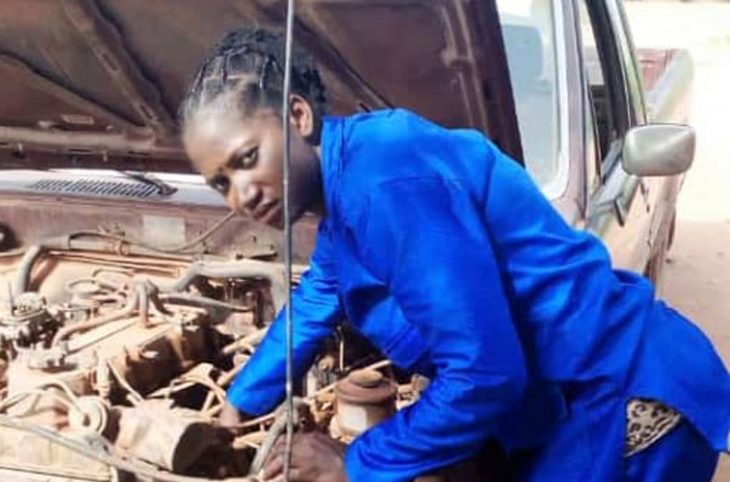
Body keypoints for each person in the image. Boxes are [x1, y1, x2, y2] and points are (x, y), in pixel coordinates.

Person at [180, 28, 729, 482]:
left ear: (296, 116)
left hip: (624, 403)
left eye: (247, 158)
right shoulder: (344, 205)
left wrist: (356, 461)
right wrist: (238, 404)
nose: (242, 193)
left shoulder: (385, 180)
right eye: (221, 182)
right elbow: (313, 305)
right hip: (566, 407)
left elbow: (485, 372)